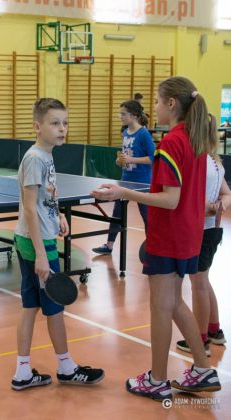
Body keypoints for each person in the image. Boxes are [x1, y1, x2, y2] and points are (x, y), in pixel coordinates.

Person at [92, 76, 221, 400]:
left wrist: (123, 193)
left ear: (171, 104)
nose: (155, 107)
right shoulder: (194, 139)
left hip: (170, 236)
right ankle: (203, 369)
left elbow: (170, 199)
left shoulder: (172, 143)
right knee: (174, 303)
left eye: (158, 101)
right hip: (188, 235)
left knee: (161, 307)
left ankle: (157, 379)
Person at [11, 98, 104, 392]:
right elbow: (29, 207)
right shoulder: (36, 159)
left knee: (30, 306)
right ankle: (66, 368)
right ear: (37, 126)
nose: (62, 128)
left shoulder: (46, 155)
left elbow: (45, 196)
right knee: (55, 309)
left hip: (32, 238)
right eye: (54, 123)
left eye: (65, 123)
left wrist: (59, 213)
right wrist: (41, 253)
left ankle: (22, 373)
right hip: (36, 242)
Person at [175, 130, 230, 355]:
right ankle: (214, 330)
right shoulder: (215, 161)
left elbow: (192, 196)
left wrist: (209, 206)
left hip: (200, 230)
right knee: (204, 281)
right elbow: (227, 193)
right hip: (213, 229)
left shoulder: (199, 161)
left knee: (198, 284)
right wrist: (221, 205)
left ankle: (199, 340)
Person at [92, 100, 155, 255]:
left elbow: (153, 157)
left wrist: (132, 160)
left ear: (134, 115)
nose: (120, 116)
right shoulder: (126, 132)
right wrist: (119, 161)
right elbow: (125, 156)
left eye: (123, 114)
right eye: (120, 113)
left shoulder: (144, 134)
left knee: (147, 216)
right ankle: (109, 246)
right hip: (125, 180)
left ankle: (154, 247)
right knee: (117, 214)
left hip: (142, 182)